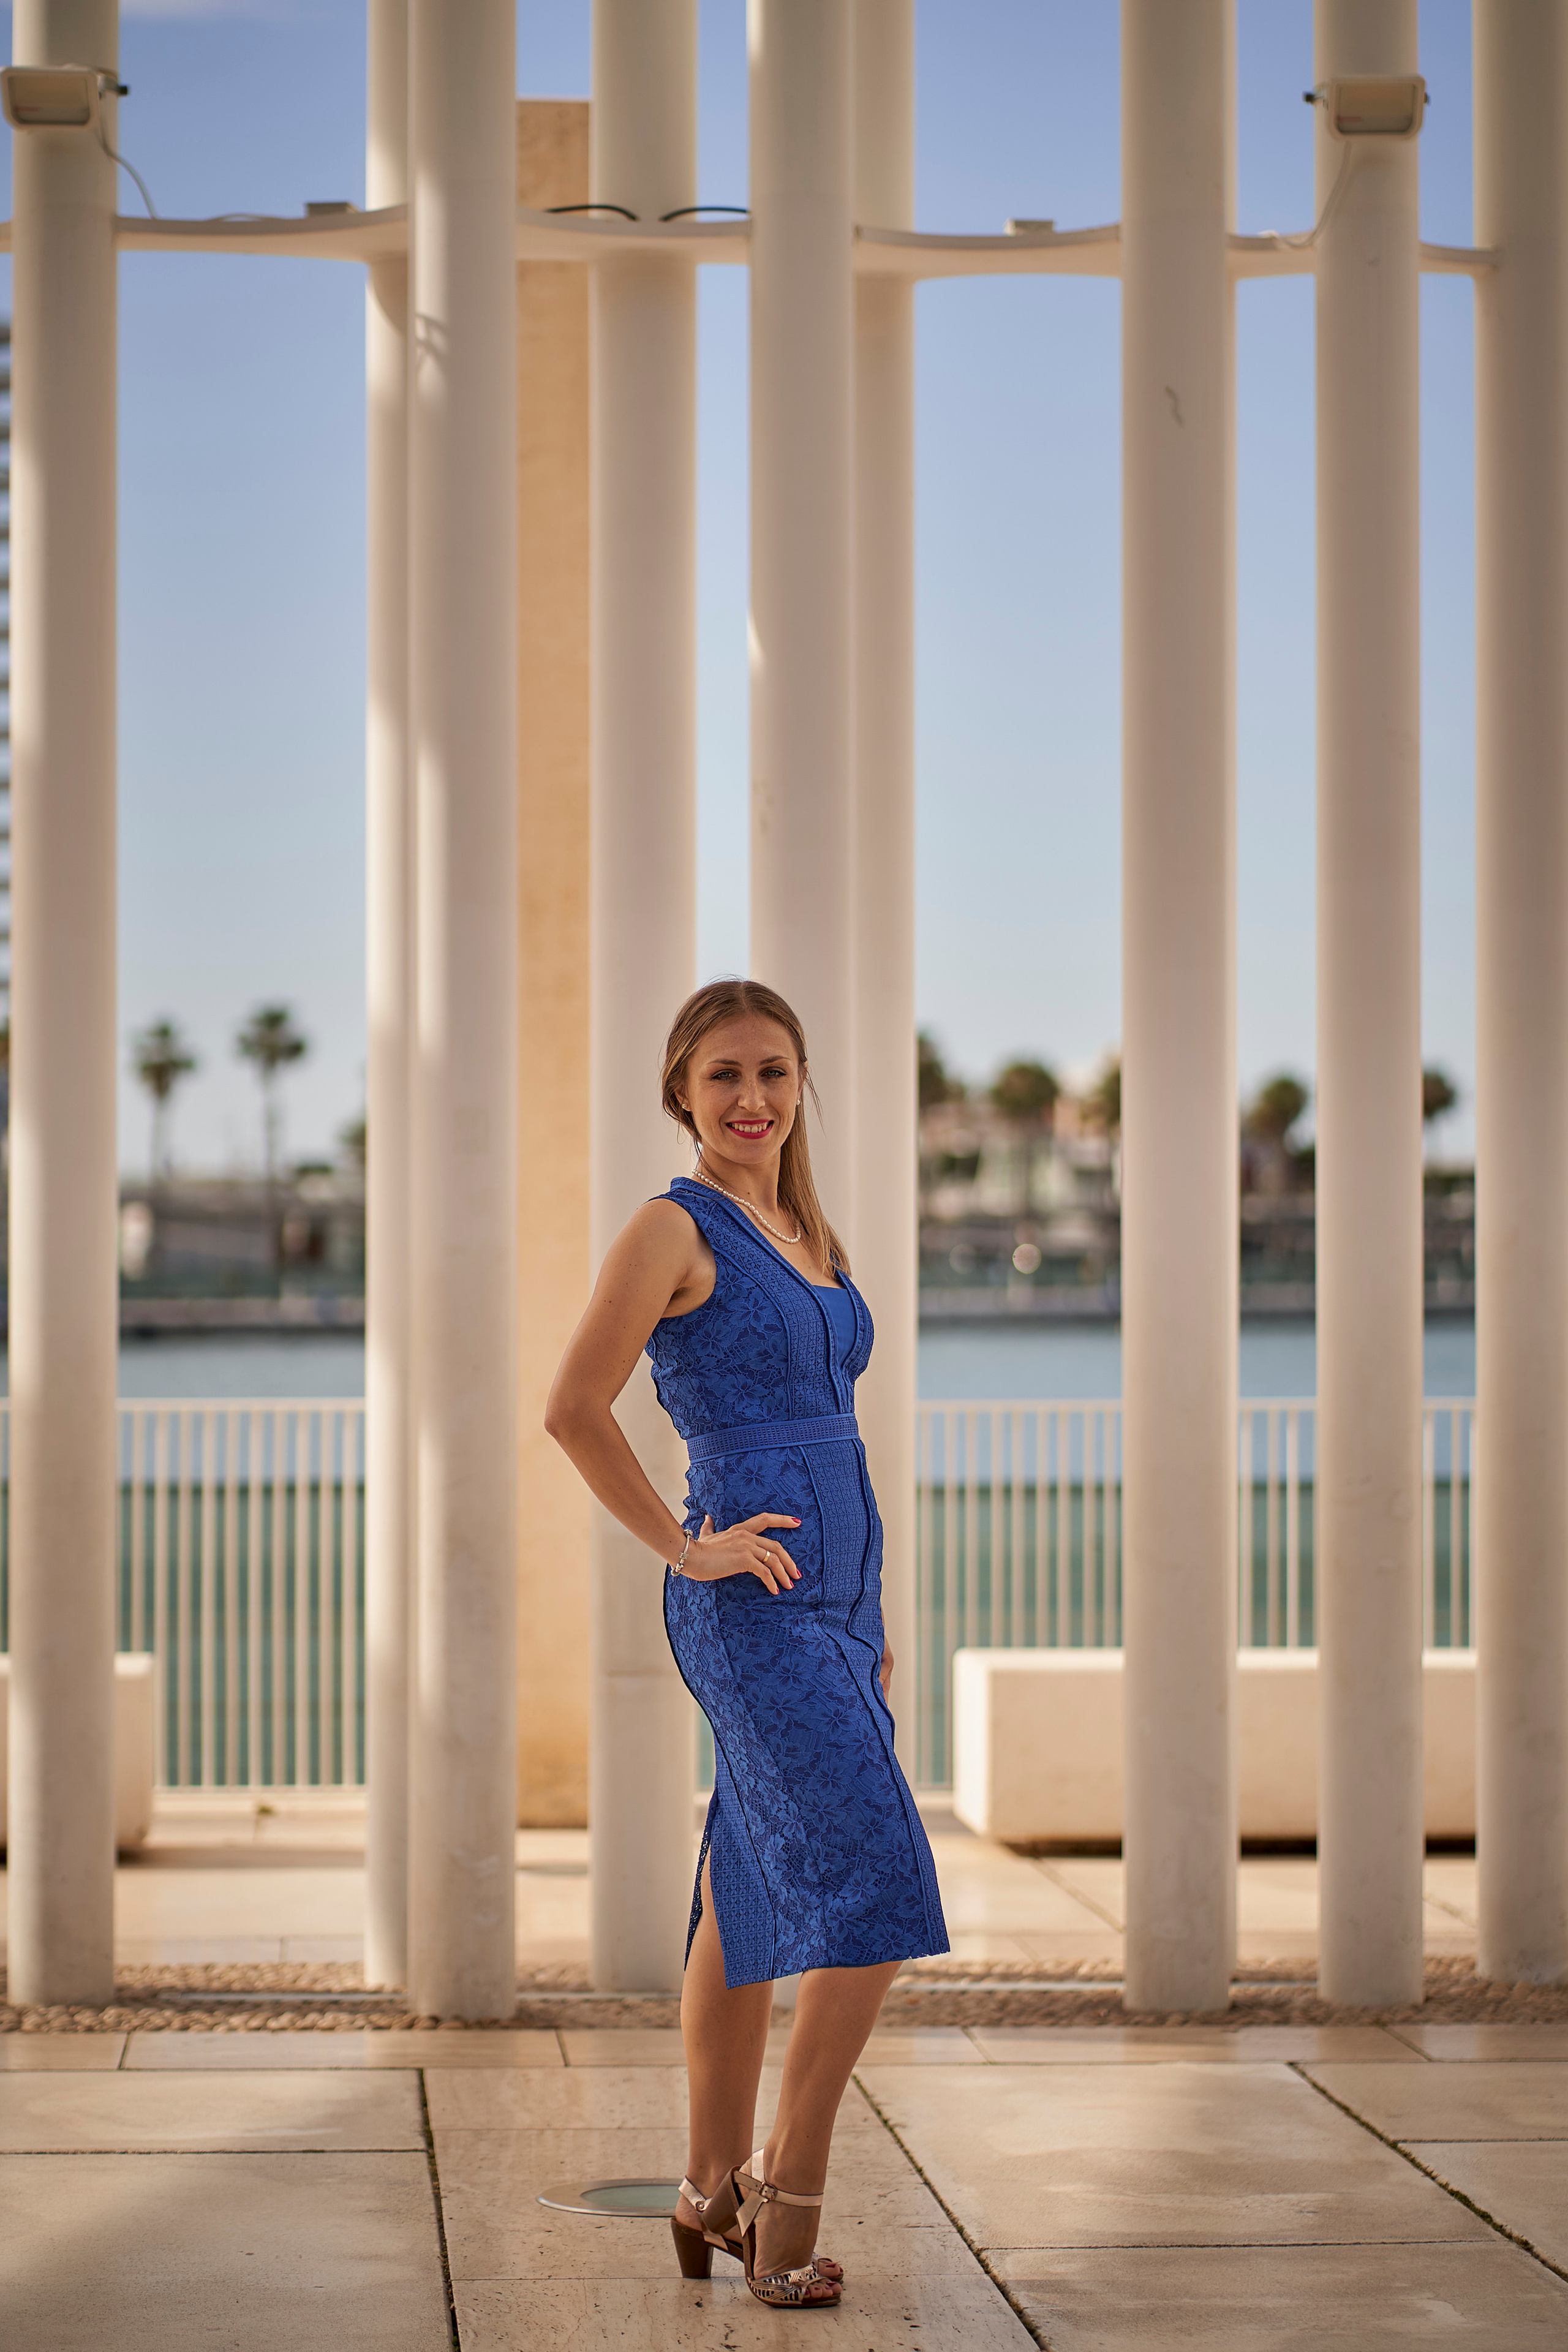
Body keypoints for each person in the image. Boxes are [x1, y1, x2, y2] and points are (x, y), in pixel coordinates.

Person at [546, 976, 949, 2310]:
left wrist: (872, 1616)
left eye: (772, 1072)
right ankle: (787, 2185)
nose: (751, 1098)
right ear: (681, 1092)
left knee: (749, 1885)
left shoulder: (806, 1227)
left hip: (840, 1601)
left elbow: (836, 1435)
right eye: (722, 1075)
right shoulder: (673, 1225)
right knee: (879, 1882)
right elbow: (573, 1407)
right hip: (748, 1599)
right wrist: (683, 1543)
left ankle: (707, 2185)